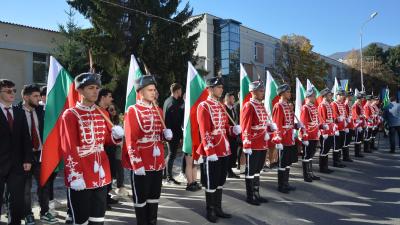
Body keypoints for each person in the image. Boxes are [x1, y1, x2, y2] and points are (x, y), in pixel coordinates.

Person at [60, 73, 124, 225]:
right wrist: (75, 175)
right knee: (81, 220)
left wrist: (116, 136)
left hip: (101, 173)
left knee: (98, 220)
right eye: (90, 88)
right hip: (82, 173)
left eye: (97, 88)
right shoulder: (70, 115)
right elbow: (69, 148)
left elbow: (106, 140)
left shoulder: (102, 112)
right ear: (80, 91)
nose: (95, 91)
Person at [123, 75, 173, 225]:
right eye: (150, 90)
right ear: (141, 92)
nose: (154, 92)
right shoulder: (133, 111)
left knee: (154, 197)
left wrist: (165, 136)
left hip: (157, 162)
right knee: (141, 199)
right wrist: (137, 164)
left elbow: (157, 135)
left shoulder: (158, 110)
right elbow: (131, 140)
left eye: (154, 90)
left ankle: (153, 222)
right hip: (142, 163)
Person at [197, 77, 241, 223]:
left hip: (224, 148)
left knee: (221, 180)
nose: (221, 89)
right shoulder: (203, 106)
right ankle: (210, 210)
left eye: (222, 87)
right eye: (218, 87)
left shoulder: (221, 106)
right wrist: (210, 152)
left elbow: (223, 127)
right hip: (213, 150)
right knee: (211, 181)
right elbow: (205, 132)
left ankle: (218, 208)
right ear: (209, 89)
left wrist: (233, 129)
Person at [18, 85, 57, 224]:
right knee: (26, 188)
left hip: (41, 154)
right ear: (26, 97)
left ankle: (45, 212)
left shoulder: (42, 110)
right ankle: (27, 214)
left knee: (44, 184)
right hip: (24, 157)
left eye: (39, 96)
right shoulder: (16, 111)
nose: (39, 98)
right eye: (35, 96)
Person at [0, 79, 33, 225]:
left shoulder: (19, 112)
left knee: (17, 201)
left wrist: (27, 159)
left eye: (14, 90)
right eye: (8, 91)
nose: (12, 93)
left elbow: (26, 138)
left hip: (17, 165)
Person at [241, 81, 274, 204]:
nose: (263, 93)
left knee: (258, 169)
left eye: (263, 90)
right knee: (251, 170)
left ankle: (256, 193)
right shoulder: (249, 105)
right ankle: (250, 196)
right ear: (253, 92)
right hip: (253, 143)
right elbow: (245, 126)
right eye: (260, 91)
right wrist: (247, 144)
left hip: (262, 143)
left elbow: (263, 124)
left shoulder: (261, 106)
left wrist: (270, 128)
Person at [272, 84, 300, 194]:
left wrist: (297, 125)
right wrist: (277, 139)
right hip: (283, 138)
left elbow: (290, 122)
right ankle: (281, 185)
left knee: (288, 162)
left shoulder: (288, 106)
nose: (289, 94)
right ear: (282, 93)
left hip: (290, 137)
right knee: (282, 162)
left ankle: (286, 183)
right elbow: (277, 124)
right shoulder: (278, 106)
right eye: (288, 92)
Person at [96, 88, 119, 208]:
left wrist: (116, 136)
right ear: (103, 97)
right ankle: (102, 201)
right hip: (101, 149)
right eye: (110, 96)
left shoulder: (105, 112)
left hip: (109, 148)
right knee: (101, 175)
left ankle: (106, 198)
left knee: (108, 174)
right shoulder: (96, 111)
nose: (112, 99)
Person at [163, 83, 184, 185]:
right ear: (177, 91)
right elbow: (176, 123)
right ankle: (169, 177)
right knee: (172, 155)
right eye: (180, 90)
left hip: (169, 132)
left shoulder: (168, 100)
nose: (181, 92)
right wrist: (180, 136)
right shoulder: (173, 104)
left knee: (170, 154)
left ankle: (165, 174)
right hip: (173, 133)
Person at [299, 88, 321, 182]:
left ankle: (311, 173)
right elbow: (303, 123)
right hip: (308, 135)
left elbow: (316, 121)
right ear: (308, 96)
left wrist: (319, 129)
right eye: (313, 96)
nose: (314, 97)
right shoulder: (305, 108)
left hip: (314, 134)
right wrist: (304, 137)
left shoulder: (314, 107)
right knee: (306, 155)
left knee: (311, 155)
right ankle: (306, 175)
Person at [108, 104, 128, 196]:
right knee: (111, 168)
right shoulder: (106, 120)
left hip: (118, 148)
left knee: (120, 167)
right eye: (111, 110)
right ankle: (110, 188)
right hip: (109, 148)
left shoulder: (118, 119)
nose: (114, 111)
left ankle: (120, 186)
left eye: (114, 109)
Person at [318, 88, 335, 173]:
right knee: (324, 149)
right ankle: (322, 167)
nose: (331, 96)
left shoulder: (329, 104)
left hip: (330, 129)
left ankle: (326, 167)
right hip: (325, 131)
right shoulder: (322, 105)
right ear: (324, 96)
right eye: (329, 95)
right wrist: (324, 132)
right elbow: (322, 119)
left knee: (327, 149)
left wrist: (334, 126)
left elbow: (331, 117)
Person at [224, 92, 240, 178]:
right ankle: (227, 171)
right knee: (229, 154)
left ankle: (230, 170)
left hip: (234, 134)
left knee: (233, 153)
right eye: (232, 98)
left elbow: (235, 119)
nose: (234, 100)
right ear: (227, 99)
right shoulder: (224, 108)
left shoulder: (233, 108)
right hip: (227, 135)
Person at [330, 89, 347, 168]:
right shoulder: (334, 104)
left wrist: (345, 122)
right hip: (337, 128)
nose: (343, 97)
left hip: (342, 127)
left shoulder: (342, 104)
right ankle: (335, 161)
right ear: (338, 95)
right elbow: (334, 116)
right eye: (342, 95)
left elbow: (344, 114)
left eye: (343, 95)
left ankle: (339, 160)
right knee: (336, 145)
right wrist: (337, 119)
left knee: (340, 145)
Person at [352, 91, 366, 157]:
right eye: (363, 97)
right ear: (360, 98)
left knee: (360, 139)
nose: (363, 99)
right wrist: (362, 117)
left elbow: (360, 114)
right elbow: (355, 116)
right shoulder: (356, 105)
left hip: (361, 123)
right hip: (357, 124)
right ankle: (357, 153)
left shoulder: (360, 105)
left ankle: (359, 152)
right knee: (357, 139)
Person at [343, 91, 354, 162]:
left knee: (348, 141)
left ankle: (347, 156)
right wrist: (346, 126)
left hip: (350, 124)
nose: (352, 97)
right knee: (346, 142)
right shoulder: (346, 104)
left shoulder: (349, 103)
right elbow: (345, 115)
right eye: (350, 96)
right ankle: (345, 156)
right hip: (347, 125)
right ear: (347, 97)